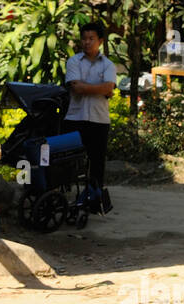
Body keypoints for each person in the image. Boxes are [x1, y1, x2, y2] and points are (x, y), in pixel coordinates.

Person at [64, 21, 116, 202]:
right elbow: (76, 88)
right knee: (70, 159)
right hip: (75, 117)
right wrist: (102, 88)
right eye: (84, 38)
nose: (87, 42)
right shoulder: (73, 61)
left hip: (99, 119)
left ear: (100, 41)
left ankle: (95, 197)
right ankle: (68, 195)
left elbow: (109, 87)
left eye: (91, 38)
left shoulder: (108, 65)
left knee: (97, 161)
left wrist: (87, 87)